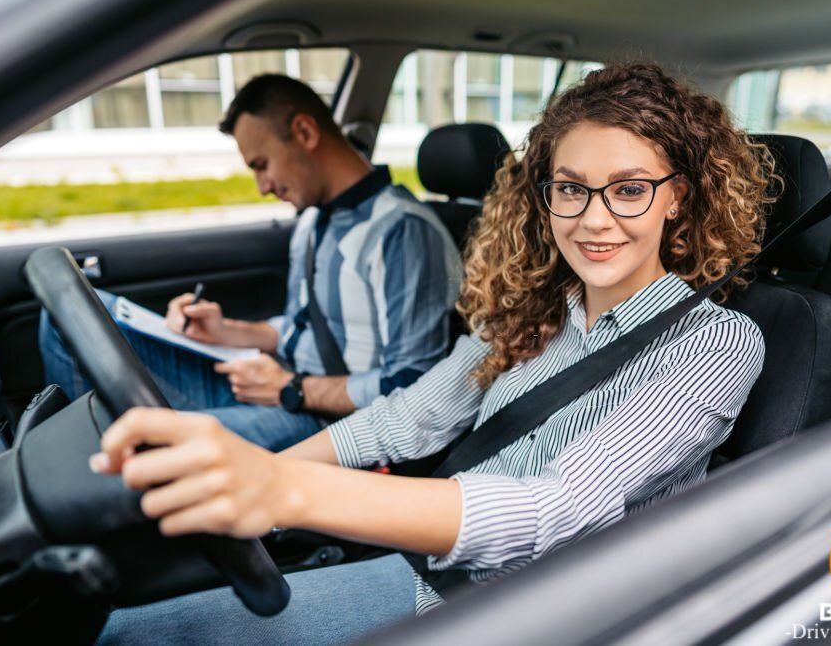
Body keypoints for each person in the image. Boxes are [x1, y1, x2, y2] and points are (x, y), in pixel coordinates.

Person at [93, 62, 774, 644]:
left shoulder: (713, 343)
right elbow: (408, 417)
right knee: (132, 629)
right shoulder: (532, 309)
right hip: (429, 569)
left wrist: (284, 490)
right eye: (570, 188)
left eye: (629, 189)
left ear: (678, 198)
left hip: (536, 614)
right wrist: (260, 473)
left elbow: (554, 510)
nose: (594, 219)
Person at [38, 74, 462, 452]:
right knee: (68, 317)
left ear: (304, 132)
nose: (261, 187)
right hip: (273, 383)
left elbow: (412, 384)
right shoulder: (314, 219)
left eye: (261, 165)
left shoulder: (403, 232)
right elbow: (302, 328)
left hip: (323, 420)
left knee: (135, 444)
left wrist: (293, 390)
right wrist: (227, 330)